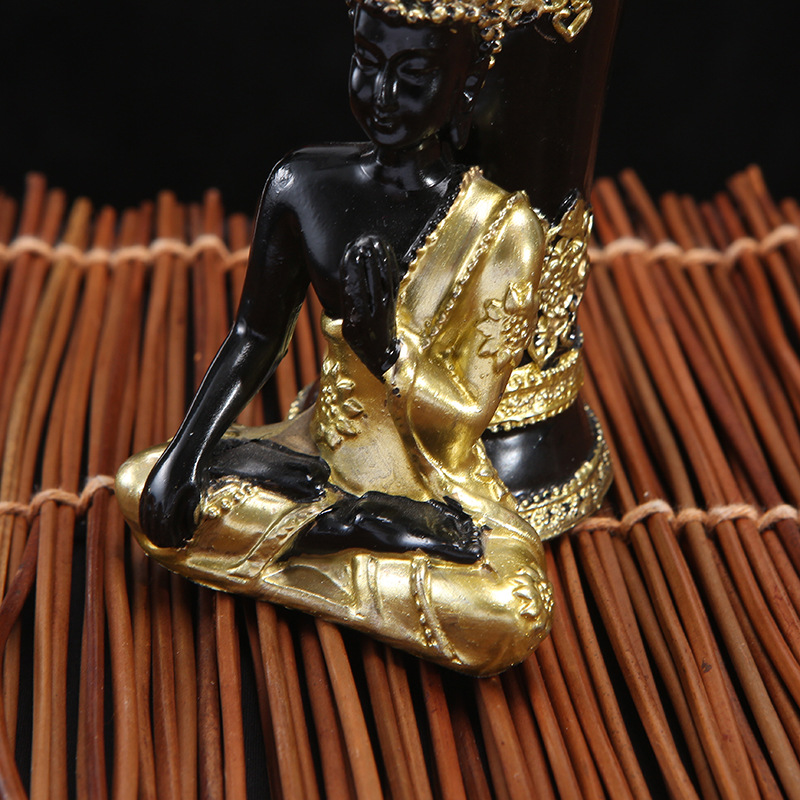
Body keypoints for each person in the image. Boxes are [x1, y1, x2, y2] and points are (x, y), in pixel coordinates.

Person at [117, 0, 554, 675]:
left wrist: (387, 351)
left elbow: (465, 421)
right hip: (320, 452)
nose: (383, 94)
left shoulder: (505, 230)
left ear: (465, 85)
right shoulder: (304, 183)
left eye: (413, 75)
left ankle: (308, 540)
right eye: (368, 63)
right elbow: (255, 336)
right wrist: (187, 454)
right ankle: (345, 529)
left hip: (434, 486)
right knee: (140, 481)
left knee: (511, 611)